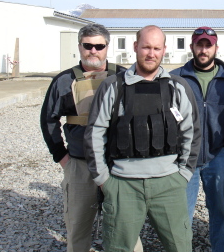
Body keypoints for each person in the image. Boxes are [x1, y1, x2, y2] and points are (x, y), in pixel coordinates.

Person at [84, 25, 201, 252]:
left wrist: (183, 174)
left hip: (169, 184)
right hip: (122, 185)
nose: (151, 53)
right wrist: (104, 181)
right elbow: (95, 134)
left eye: (156, 48)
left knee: (181, 247)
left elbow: (192, 132)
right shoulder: (113, 87)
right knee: (118, 248)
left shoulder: (178, 87)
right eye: (146, 47)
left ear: (164, 50)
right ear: (135, 46)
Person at [40, 23, 144, 251]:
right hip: (80, 165)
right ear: (80, 46)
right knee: (78, 230)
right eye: (88, 45)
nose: (93, 51)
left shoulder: (125, 77)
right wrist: (63, 158)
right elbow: (48, 120)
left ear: (107, 47)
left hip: (118, 167)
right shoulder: (63, 81)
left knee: (127, 231)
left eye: (99, 46)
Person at [171, 26, 224, 252]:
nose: (203, 50)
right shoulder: (176, 79)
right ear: (192, 46)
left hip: (217, 157)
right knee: (183, 213)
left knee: (219, 212)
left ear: (216, 48)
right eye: (199, 45)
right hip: (185, 159)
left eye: (208, 45)